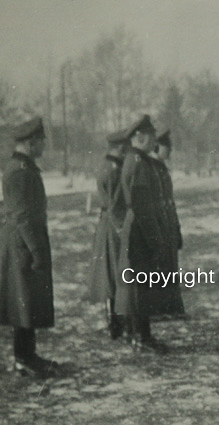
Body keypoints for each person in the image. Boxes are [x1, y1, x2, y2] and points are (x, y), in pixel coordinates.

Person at [0, 116, 57, 376]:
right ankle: (22, 359)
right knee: (23, 301)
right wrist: (36, 249)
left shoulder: (24, 167)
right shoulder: (18, 171)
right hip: (22, 243)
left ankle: (29, 355)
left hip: (25, 241)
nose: (44, 146)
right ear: (30, 142)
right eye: (41, 141)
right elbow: (22, 216)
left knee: (27, 300)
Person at [113, 115, 171, 353]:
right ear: (140, 137)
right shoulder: (137, 162)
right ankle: (141, 336)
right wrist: (155, 239)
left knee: (142, 284)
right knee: (140, 286)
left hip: (138, 229)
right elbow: (141, 206)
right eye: (152, 136)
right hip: (140, 231)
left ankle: (142, 334)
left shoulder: (138, 160)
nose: (156, 140)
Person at [89, 128, 129, 339]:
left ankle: (115, 320)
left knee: (113, 273)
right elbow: (115, 205)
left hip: (109, 223)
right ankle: (115, 322)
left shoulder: (110, 166)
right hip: (114, 225)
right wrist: (124, 231)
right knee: (115, 273)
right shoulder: (114, 170)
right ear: (121, 148)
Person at [150, 128, 185, 317]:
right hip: (159, 224)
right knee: (160, 267)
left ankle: (170, 307)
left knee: (170, 266)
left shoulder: (162, 169)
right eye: (167, 146)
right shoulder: (151, 168)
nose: (170, 150)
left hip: (168, 223)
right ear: (156, 147)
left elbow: (170, 201)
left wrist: (176, 227)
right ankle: (158, 309)